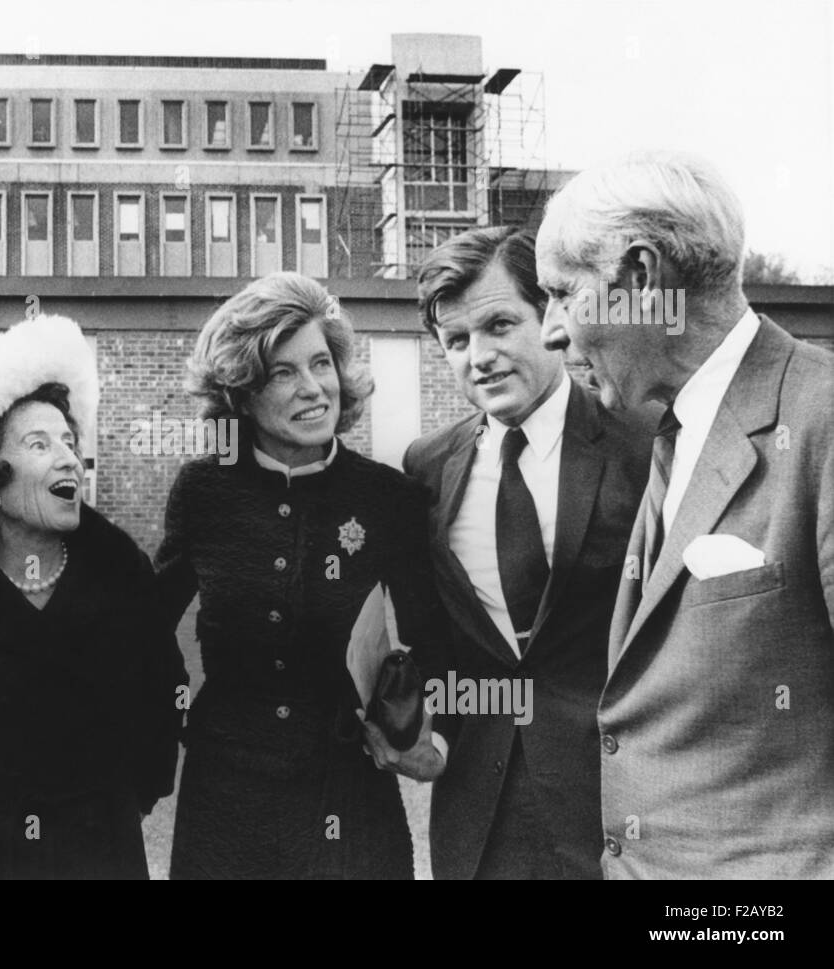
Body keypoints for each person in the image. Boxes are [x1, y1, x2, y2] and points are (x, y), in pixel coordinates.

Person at [537, 150, 834, 878]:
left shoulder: (821, 416)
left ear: (640, 277)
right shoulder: (672, 430)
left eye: (560, 293)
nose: (549, 330)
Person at [157, 271, 448, 880]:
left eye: (321, 363)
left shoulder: (387, 497)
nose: (314, 388)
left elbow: (435, 639)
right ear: (241, 392)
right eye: (283, 372)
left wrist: (426, 734)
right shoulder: (204, 490)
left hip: (346, 792)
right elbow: (145, 628)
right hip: (226, 798)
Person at [0, 313, 186, 880]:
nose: (69, 458)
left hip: (99, 843)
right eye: (39, 444)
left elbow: (164, 687)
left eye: (70, 443)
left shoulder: (120, 569)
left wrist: (133, 795)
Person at [405, 227, 650, 879]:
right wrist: (426, 730)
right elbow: (438, 641)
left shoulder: (647, 443)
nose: (478, 355)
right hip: (478, 826)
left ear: (549, 316)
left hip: (621, 815)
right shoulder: (426, 467)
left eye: (499, 325)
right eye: (456, 340)